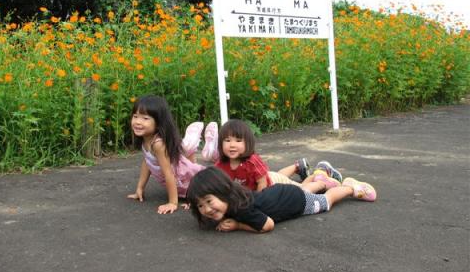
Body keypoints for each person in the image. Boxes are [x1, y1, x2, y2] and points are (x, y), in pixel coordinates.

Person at [186, 167, 377, 233]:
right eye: (200, 205)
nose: (206, 209)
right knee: (303, 190)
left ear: (224, 192)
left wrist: (238, 226)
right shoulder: (236, 197)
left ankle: (350, 187)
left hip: (296, 203)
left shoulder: (242, 210)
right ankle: (319, 180)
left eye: (209, 202)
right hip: (283, 192)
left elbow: (267, 225)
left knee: (325, 202)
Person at [213, 118, 343, 192]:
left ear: (247, 143)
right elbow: (214, 183)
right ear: (220, 143)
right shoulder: (221, 164)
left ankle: (319, 175)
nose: (232, 145)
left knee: (302, 190)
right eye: (227, 140)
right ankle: (298, 166)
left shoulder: (251, 161)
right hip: (271, 177)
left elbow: (262, 183)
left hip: (272, 185)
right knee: (278, 175)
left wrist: (258, 201)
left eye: (238, 140)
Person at [127, 95, 205, 214]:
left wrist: (173, 202)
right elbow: (147, 162)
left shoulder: (158, 144)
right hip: (182, 184)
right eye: (135, 116)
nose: (137, 121)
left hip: (194, 182)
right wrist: (140, 188)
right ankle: (190, 148)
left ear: (158, 122)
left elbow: (169, 174)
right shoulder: (146, 139)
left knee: (206, 193)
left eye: (145, 118)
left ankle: (194, 144)